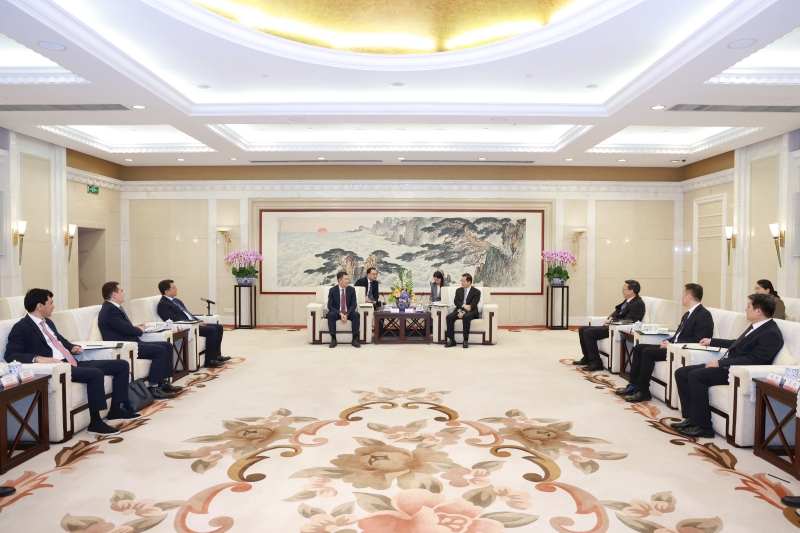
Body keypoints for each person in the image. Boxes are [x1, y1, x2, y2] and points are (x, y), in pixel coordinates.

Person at [4, 288, 140, 436]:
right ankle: (95, 423)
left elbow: (60, 341)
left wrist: (72, 347)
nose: (54, 306)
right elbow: (11, 354)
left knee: (121, 365)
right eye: (51, 303)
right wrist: (38, 358)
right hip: (60, 368)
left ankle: (115, 410)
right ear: (40, 306)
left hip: (72, 362)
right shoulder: (21, 327)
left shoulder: (48, 322)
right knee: (95, 374)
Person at [672, 293, 784, 438]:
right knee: (681, 372)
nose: (746, 309)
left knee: (695, 376)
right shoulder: (757, 326)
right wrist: (712, 341)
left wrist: (720, 363)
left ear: (758, 311)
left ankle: (704, 426)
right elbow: (737, 343)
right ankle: (692, 419)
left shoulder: (771, 333)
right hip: (729, 365)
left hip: (737, 371)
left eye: (748, 306)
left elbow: (755, 360)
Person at [616, 283, 714, 403]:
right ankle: (633, 384)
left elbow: (698, 340)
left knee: (647, 352)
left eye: (683, 294)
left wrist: (672, 345)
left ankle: (643, 391)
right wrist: (669, 341)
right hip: (673, 346)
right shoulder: (688, 313)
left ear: (689, 297)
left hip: (680, 350)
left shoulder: (704, 315)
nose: (681, 297)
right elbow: (679, 335)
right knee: (639, 348)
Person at [98, 282, 181, 399]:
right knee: (160, 350)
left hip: (132, 342)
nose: (124, 293)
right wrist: (139, 330)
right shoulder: (110, 310)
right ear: (114, 294)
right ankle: (153, 387)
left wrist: (135, 327)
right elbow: (125, 329)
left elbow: (122, 326)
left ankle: (162, 382)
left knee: (167, 345)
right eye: (121, 291)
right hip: (126, 346)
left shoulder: (113, 308)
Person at [575, 280, 646, 371]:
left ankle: (596, 363)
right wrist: (610, 318)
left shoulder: (638, 304)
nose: (622, 291)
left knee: (588, 332)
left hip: (617, 329)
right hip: (612, 326)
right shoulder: (628, 300)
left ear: (631, 291)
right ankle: (587, 358)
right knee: (582, 329)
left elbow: (629, 320)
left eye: (624, 289)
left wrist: (611, 322)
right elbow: (618, 311)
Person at [156, 279, 228, 369]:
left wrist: (198, 321)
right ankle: (209, 360)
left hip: (193, 323)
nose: (177, 289)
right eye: (174, 288)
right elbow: (175, 320)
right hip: (187, 327)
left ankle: (217, 355)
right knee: (212, 330)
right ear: (167, 291)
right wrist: (195, 323)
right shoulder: (163, 305)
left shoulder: (176, 300)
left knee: (219, 327)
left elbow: (188, 314)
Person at [445, 273, 481, 349]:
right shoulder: (459, 290)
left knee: (466, 317)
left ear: (469, 282)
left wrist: (463, 312)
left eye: (463, 281)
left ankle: (465, 340)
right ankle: (452, 340)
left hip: (471, 311)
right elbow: (456, 302)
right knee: (449, 317)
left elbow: (473, 305)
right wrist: (463, 306)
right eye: (461, 281)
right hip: (459, 309)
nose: (462, 282)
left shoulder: (476, 292)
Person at [327, 271, 361, 349]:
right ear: (340, 280)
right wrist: (340, 313)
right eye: (346, 279)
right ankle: (333, 339)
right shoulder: (332, 290)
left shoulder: (352, 290)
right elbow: (330, 306)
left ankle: (354, 339)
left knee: (356, 314)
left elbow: (353, 305)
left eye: (348, 279)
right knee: (330, 314)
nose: (348, 281)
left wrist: (347, 314)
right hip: (337, 313)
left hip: (348, 312)